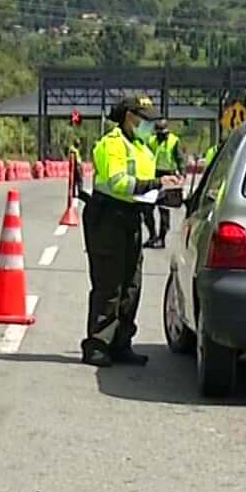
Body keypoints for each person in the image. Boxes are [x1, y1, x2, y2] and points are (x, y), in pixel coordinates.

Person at [81, 95, 182, 367]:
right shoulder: (112, 144)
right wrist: (154, 183)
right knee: (109, 284)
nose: (150, 124)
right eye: (144, 118)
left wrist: (164, 189)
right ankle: (98, 344)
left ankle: (122, 343)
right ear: (129, 117)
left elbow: (143, 186)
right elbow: (118, 183)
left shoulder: (141, 145)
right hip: (108, 217)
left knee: (132, 284)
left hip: (131, 215)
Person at [142, 116, 184, 249]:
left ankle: (162, 238)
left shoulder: (174, 141)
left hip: (169, 176)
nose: (161, 136)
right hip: (153, 176)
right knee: (147, 208)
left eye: (163, 133)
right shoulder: (151, 141)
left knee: (164, 210)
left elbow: (180, 158)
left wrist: (182, 175)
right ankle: (152, 235)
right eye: (159, 133)